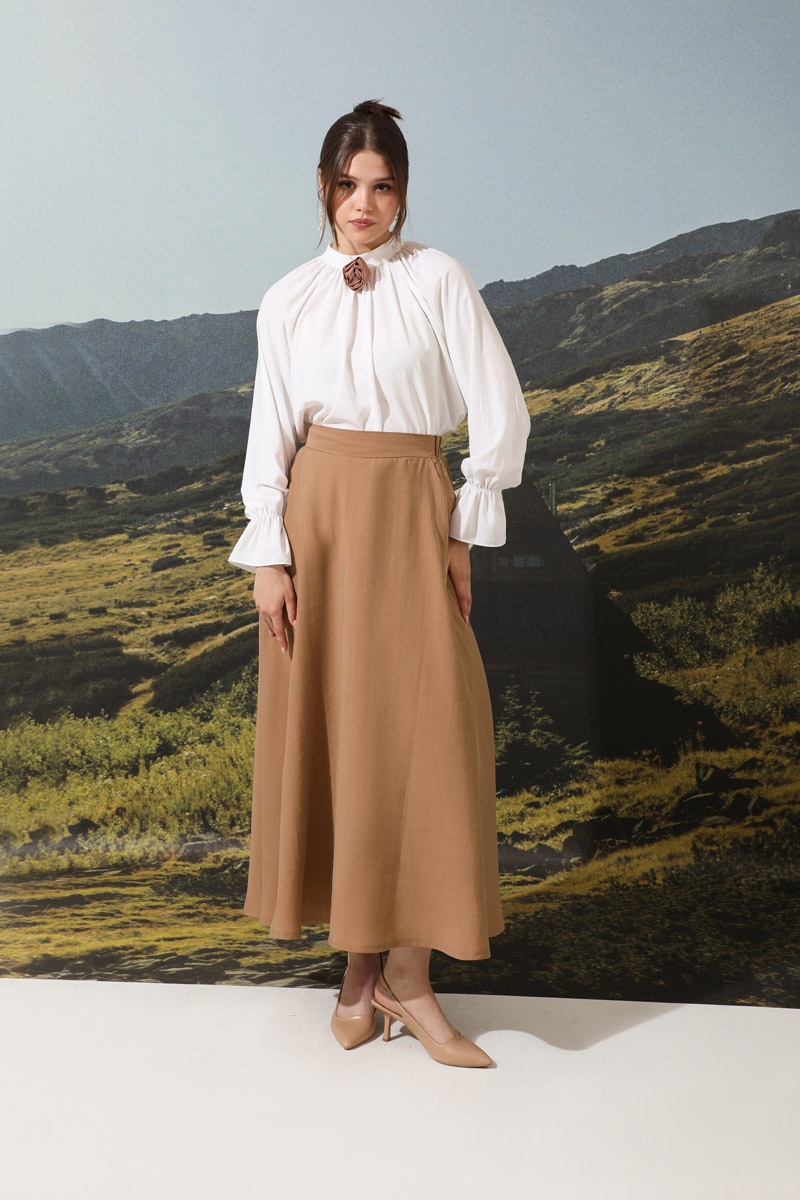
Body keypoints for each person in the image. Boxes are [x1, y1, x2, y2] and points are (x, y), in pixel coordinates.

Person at [228, 98, 531, 1068]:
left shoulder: (438, 278)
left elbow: (498, 408)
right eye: (347, 184)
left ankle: (408, 976)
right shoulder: (287, 298)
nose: (364, 203)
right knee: (344, 739)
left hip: (410, 508)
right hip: (318, 517)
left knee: (423, 737)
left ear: (403, 192)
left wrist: (461, 529)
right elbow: (272, 430)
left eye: (383, 185)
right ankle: (361, 975)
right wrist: (268, 554)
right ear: (323, 189)